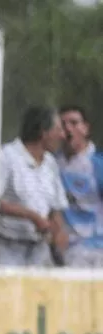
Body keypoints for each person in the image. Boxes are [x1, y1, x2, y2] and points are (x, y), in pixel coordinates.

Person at [0, 105, 68, 268]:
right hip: (8, 249)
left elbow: (56, 207)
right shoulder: (7, 157)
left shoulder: (51, 163)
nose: (62, 135)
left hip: (39, 250)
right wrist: (32, 216)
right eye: (58, 130)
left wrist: (59, 233)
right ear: (43, 132)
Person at [56, 105, 103, 268]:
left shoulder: (97, 164)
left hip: (96, 249)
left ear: (86, 128)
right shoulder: (51, 164)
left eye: (74, 123)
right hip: (63, 251)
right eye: (63, 124)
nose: (68, 129)